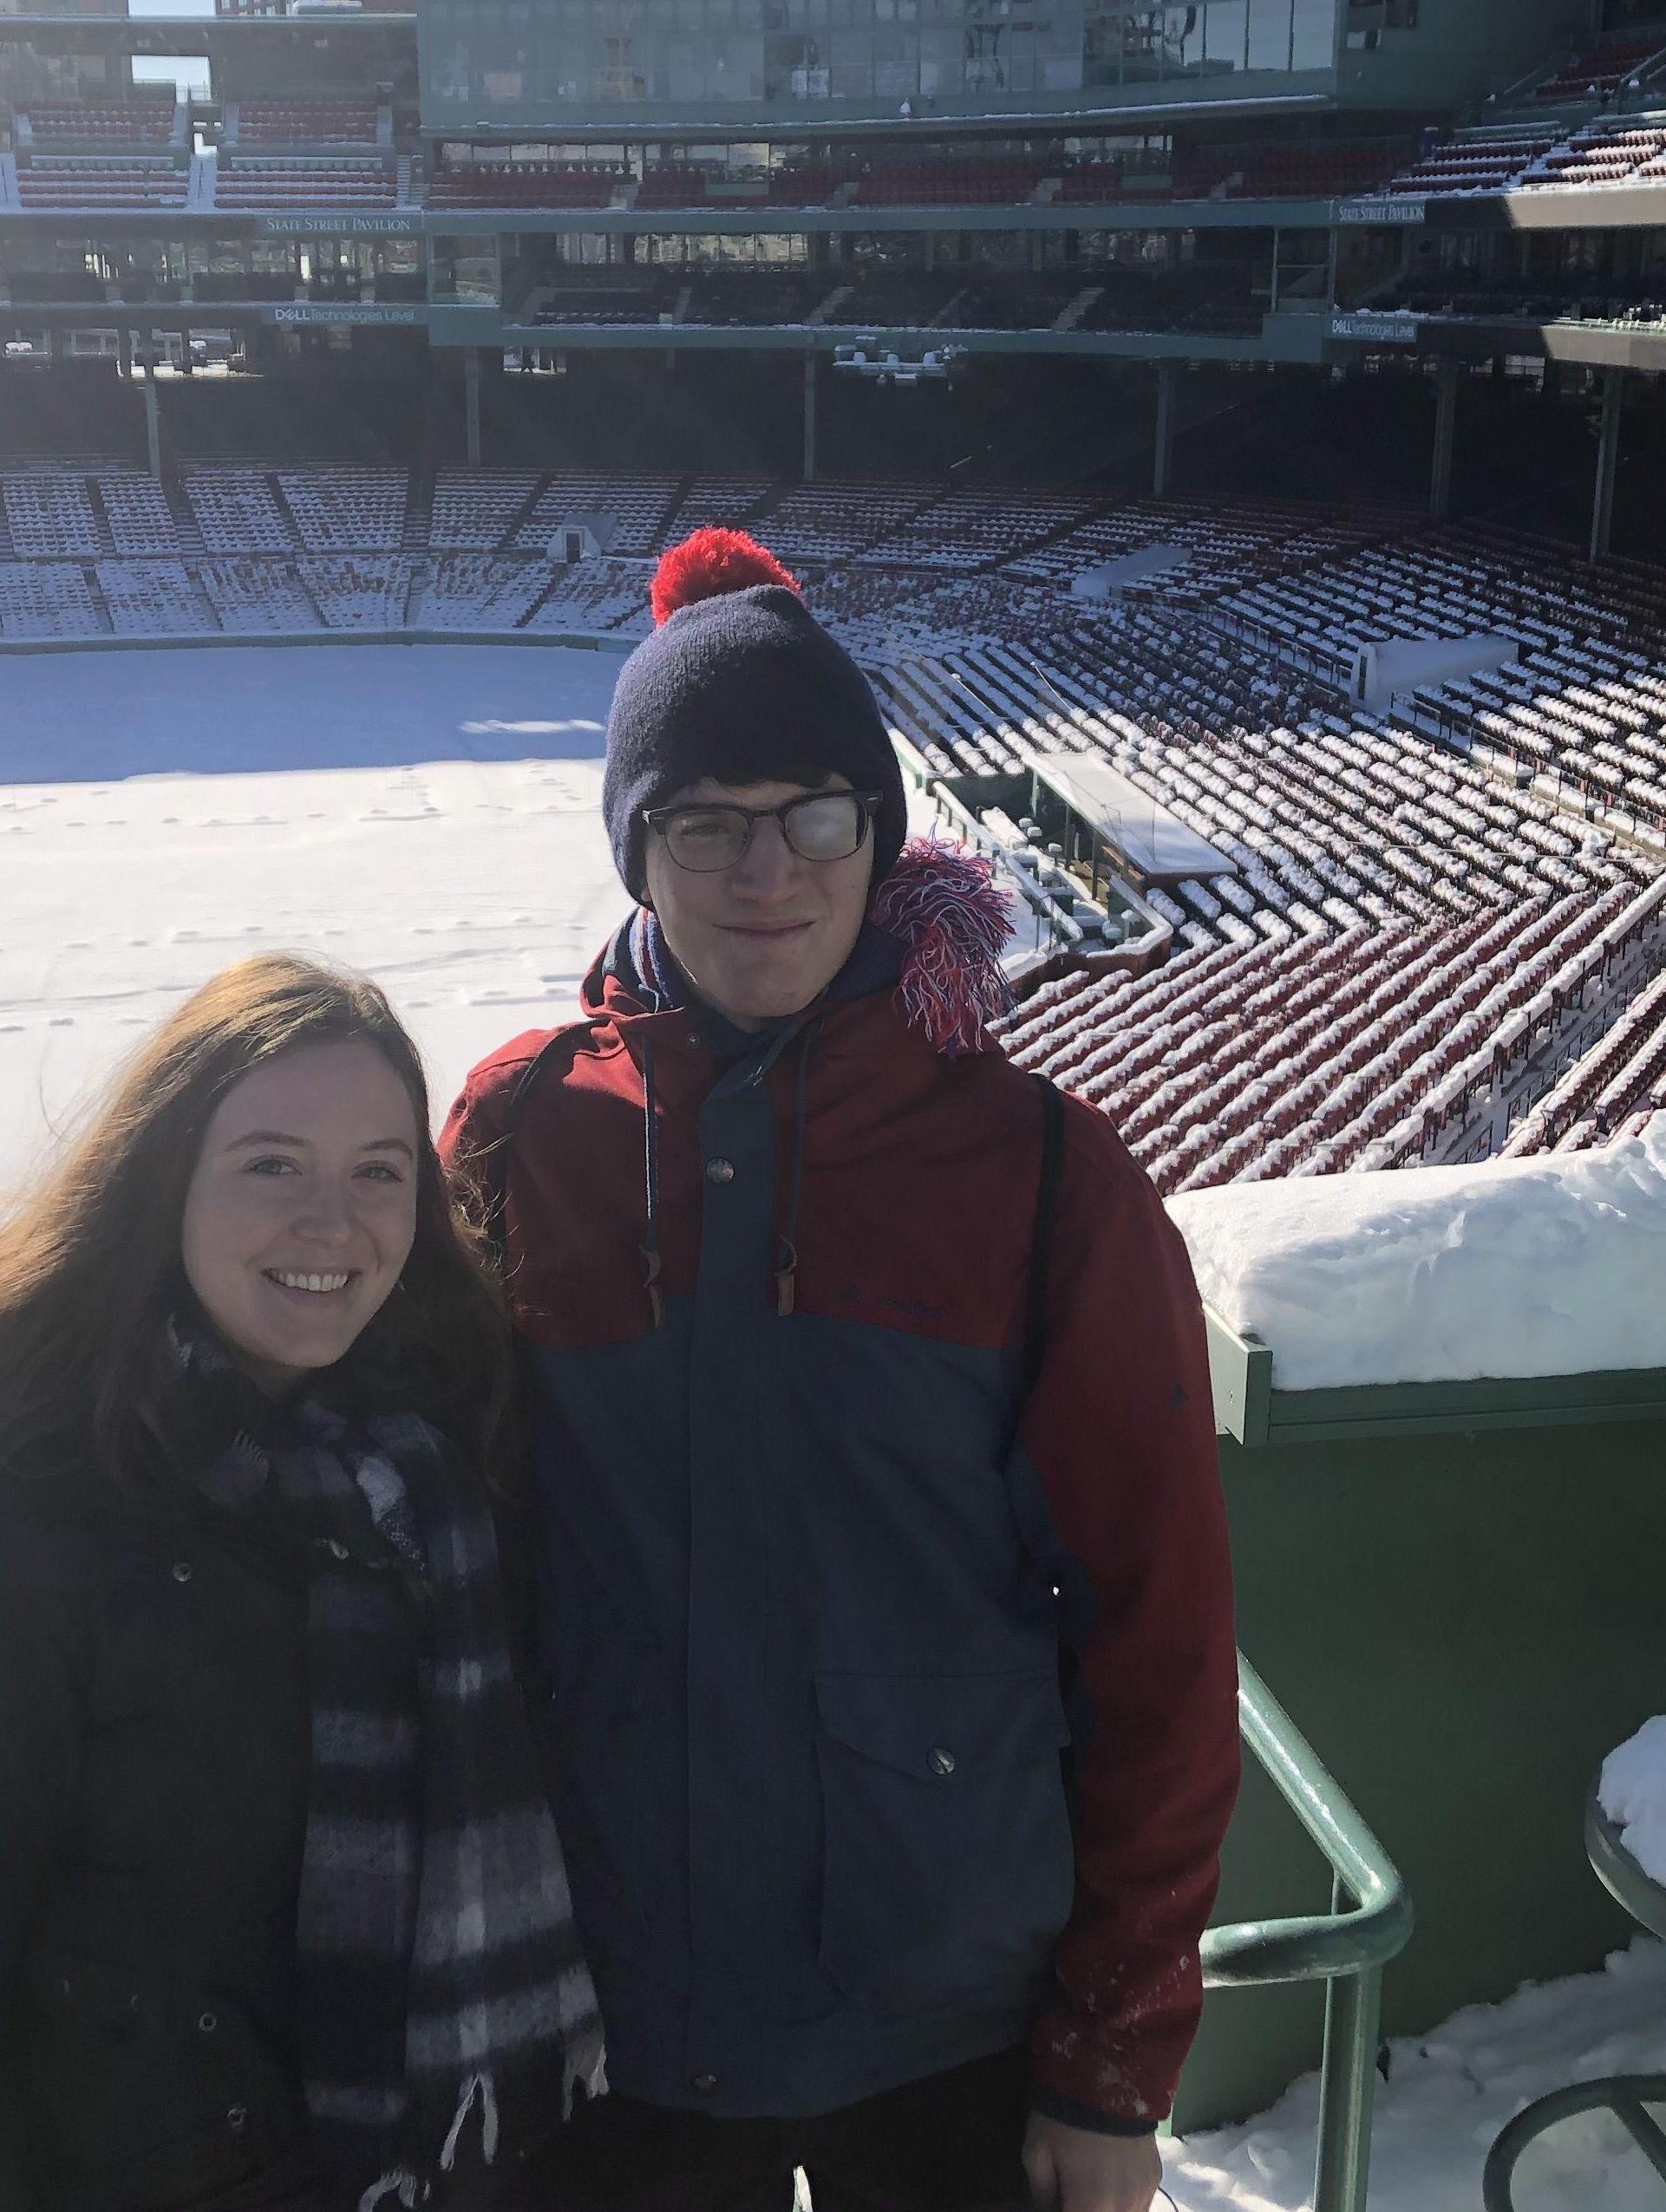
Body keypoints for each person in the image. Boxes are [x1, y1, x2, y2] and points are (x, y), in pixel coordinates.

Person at [445, 531, 1239, 2212]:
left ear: (881, 837)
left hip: (949, 2025)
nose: (766, 870)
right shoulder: (522, 1138)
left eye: (815, 812)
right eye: (704, 821)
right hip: (602, 2021)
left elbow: (1160, 1630)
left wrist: (1110, 2061)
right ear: (633, 849)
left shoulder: (1041, 1171)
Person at [0, 956, 603, 2212]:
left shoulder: (448, 1482)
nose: (331, 1223)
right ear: (160, 1181)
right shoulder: (18, 1529)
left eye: (377, 1170)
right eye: (270, 1164)